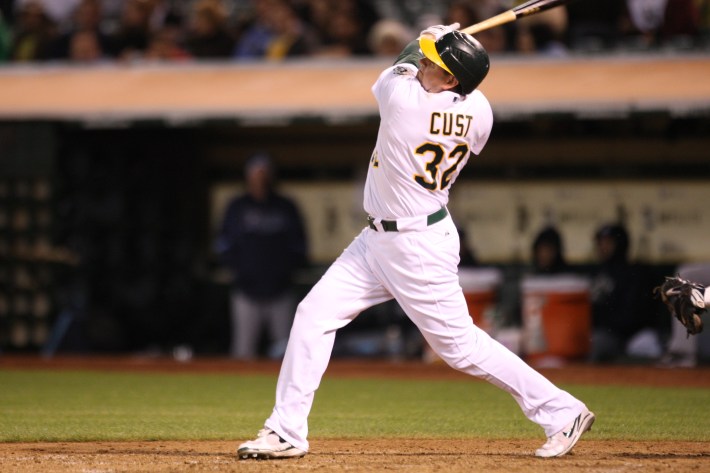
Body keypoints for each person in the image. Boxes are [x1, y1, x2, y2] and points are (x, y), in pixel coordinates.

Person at [237, 23, 594, 460]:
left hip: (415, 245)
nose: (425, 63)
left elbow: (400, 61)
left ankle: (562, 410)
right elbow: (429, 72)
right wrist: (447, 46)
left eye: (436, 63)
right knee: (313, 314)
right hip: (378, 241)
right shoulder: (480, 110)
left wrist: (431, 33)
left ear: (450, 79)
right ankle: (286, 430)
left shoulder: (404, 102)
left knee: (460, 347)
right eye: (427, 59)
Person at [216, 153, 308, 360]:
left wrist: (287, 271)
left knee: (285, 350)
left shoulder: (285, 206)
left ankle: (286, 392)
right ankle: (239, 392)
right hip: (246, 290)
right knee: (243, 350)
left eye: (264, 173)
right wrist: (237, 271)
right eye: (256, 173)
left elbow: (299, 245)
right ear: (248, 176)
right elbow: (223, 243)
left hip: (280, 290)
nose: (260, 178)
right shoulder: (237, 206)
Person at [588, 223, 658, 362]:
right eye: (601, 242)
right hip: (604, 333)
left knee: (647, 345)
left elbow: (634, 315)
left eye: (608, 242)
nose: (603, 247)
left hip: (633, 335)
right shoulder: (597, 273)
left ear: (620, 244)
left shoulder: (635, 273)